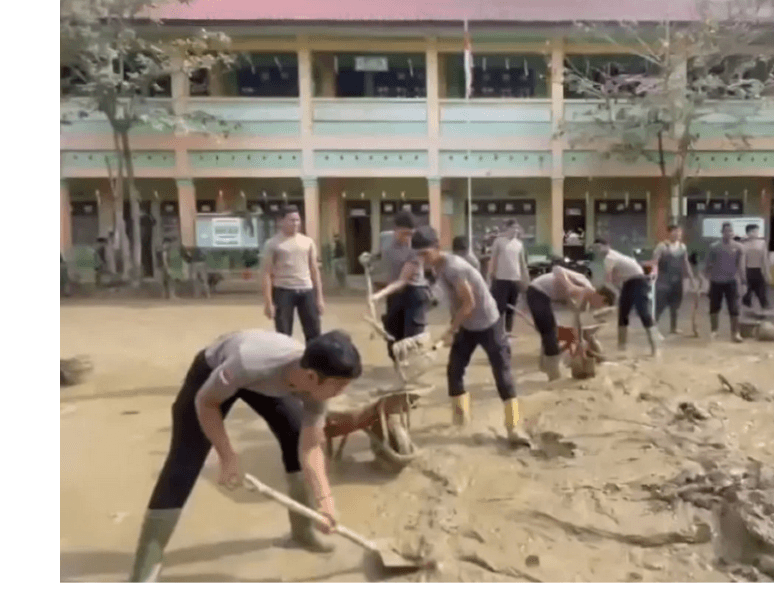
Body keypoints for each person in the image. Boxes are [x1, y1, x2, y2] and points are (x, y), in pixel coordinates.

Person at [127, 329, 363, 582]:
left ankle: (303, 531)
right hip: (216, 377)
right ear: (312, 376)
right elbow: (206, 402)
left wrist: (325, 501)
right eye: (340, 386)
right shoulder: (248, 363)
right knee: (185, 459)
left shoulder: (316, 384)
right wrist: (227, 455)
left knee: (295, 438)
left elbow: (311, 446)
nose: (342, 392)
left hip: (268, 382)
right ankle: (146, 565)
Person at [410, 225, 531, 448]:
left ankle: (514, 428)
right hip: (467, 325)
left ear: (437, 248)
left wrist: (450, 331)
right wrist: (454, 325)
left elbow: (469, 303)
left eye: (425, 253)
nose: (421, 259)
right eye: (418, 255)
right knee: (454, 371)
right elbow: (453, 301)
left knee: (502, 373)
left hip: (488, 323)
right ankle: (460, 422)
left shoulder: (454, 267)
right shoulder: (437, 267)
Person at [526, 265, 610, 380]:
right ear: (601, 297)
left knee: (551, 333)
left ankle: (545, 367)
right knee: (549, 333)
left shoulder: (586, 302)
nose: (598, 308)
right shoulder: (584, 285)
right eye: (601, 305)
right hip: (537, 291)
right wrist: (569, 285)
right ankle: (554, 376)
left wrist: (580, 345)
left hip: (549, 298)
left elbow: (578, 321)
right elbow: (557, 269)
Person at [369, 211, 430, 361]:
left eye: (410, 234)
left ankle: (413, 366)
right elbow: (379, 255)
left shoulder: (417, 245)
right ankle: (398, 364)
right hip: (393, 291)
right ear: (395, 230)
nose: (408, 238)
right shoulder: (385, 239)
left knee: (412, 337)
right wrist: (369, 259)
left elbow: (403, 280)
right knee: (392, 335)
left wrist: (378, 295)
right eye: (404, 234)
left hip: (414, 291)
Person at [261, 206, 324, 342]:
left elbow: (314, 270)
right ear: (281, 221)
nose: (295, 223)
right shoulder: (272, 244)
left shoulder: (307, 242)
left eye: (297, 220)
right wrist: (268, 302)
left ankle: (313, 356)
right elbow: (267, 274)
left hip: (306, 290)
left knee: (314, 331)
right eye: (291, 220)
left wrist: (319, 297)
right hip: (283, 291)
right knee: (283, 333)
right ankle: (286, 355)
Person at [593, 238, 658, 356]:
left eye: (599, 247)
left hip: (638, 281)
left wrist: (602, 292)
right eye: (596, 248)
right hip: (629, 283)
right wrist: (617, 291)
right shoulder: (613, 257)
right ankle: (622, 348)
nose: (598, 250)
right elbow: (614, 278)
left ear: (607, 246)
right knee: (623, 313)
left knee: (643, 312)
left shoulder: (610, 257)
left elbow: (608, 280)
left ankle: (655, 347)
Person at [650, 224, 696, 335]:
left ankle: (673, 328)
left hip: (677, 280)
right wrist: (652, 276)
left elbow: (686, 263)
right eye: (674, 232)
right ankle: (653, 327)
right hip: (663, 280)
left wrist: (692, 278)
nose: (677, 234)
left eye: (679, 232)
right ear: (669, 233)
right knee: (659, 306)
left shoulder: (682, 247)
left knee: (675, 306)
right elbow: (654, 262)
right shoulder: (662, 246)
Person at [487, 219, 530, 336]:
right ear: (507, 228)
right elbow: (493, 259)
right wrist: (490, 276)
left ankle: (508, 331)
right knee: (500, 307)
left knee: (512, 307)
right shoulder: (499, 241)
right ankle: (498, 330)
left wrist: (526, 279)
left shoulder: (519, 244)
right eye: (513, 228)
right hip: (501, 279)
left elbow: (522, 263)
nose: (515, 230)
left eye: (517, 228)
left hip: (515, 279)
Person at [705, 222, 746, 342]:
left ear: (733, 232)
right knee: (714, 307)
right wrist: (704, 282)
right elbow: (707, 266)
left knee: (734, 308)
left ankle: (735, 333)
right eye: (726, 231)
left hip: (731, 282)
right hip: (716, 281)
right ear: (722, 232)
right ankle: (714, 331)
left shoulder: (739, 247)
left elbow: (741, 266)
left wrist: (743, 282)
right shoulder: (714, 247)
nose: (728, 233)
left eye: (730, 231)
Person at [741, 224, 771, 311]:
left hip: (759, 270)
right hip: (748, 271)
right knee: (748, 293)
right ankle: (747, 308)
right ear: (748, 233)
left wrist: (767, 273)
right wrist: (742, 274)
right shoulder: (744, 244)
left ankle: (765, 309)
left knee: (762, 292)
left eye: (757, 231)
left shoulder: (762, 243)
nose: (756, 233)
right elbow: (742, 261)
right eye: (753, 231)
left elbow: (765, 259)